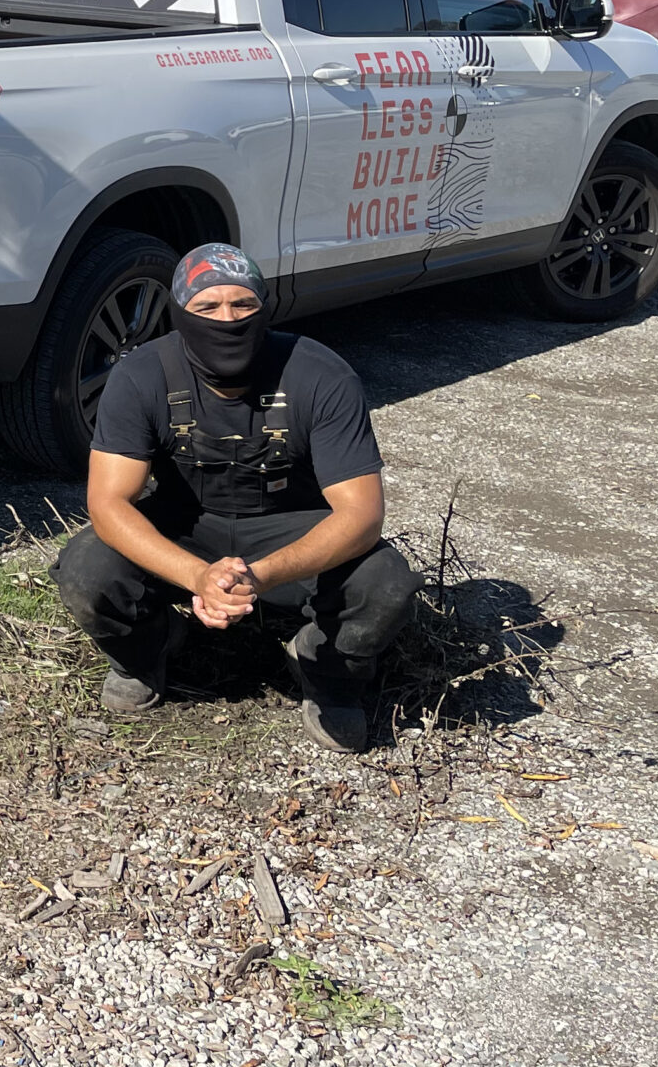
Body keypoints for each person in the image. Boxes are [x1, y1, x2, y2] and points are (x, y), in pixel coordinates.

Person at [53, 243, 421, 753]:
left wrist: (261, 575)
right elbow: (109, 503)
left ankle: (325, 670)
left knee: (385, 582)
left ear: (263, 308)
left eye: (242, 305)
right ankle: (145, 650)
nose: (226, 319)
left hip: (291, 527)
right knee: (86, 569)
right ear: (181, 314)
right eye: (207, 307)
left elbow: (361, 515)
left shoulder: (320, 374)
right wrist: (197, 577)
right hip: (186, 525)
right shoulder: (141, 375)